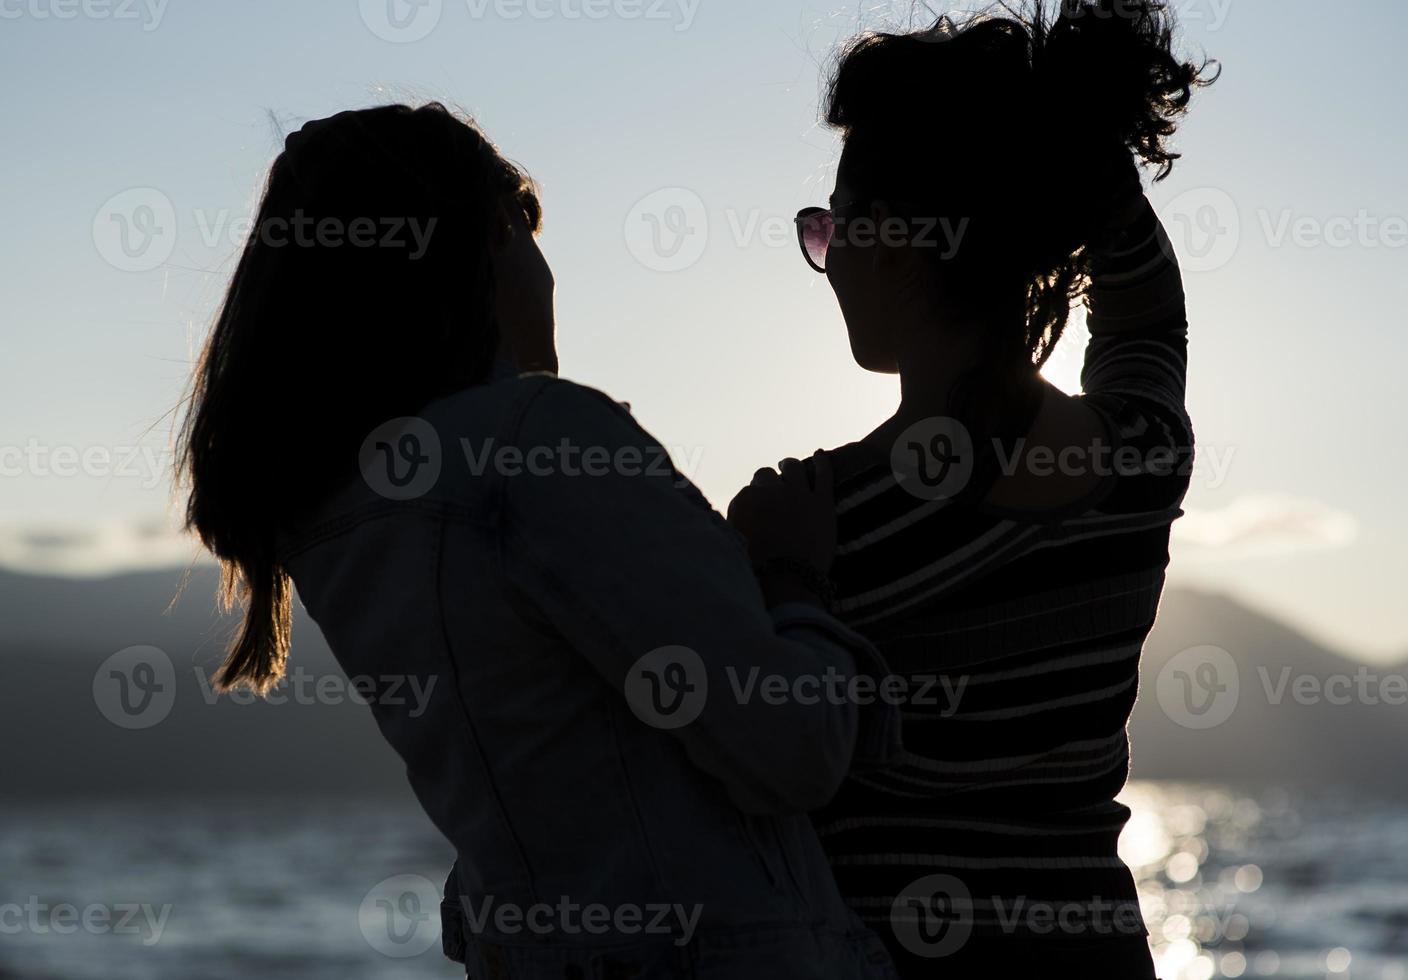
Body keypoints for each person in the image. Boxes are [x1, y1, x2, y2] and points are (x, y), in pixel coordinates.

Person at [176, 103, 902, 979]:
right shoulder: (538, 443)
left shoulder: (338, 510)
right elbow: (795, 749)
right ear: (492, 238)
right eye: (529, 229)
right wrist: (791, 577)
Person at [732, 2, 1216, 975]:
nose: (824, 261)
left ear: (905, 240)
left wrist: (783, 577)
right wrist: (1068, 140)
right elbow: (1149, 320)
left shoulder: (824, 520)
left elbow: (767, 740)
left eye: (833, 227)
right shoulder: (1138, 459)